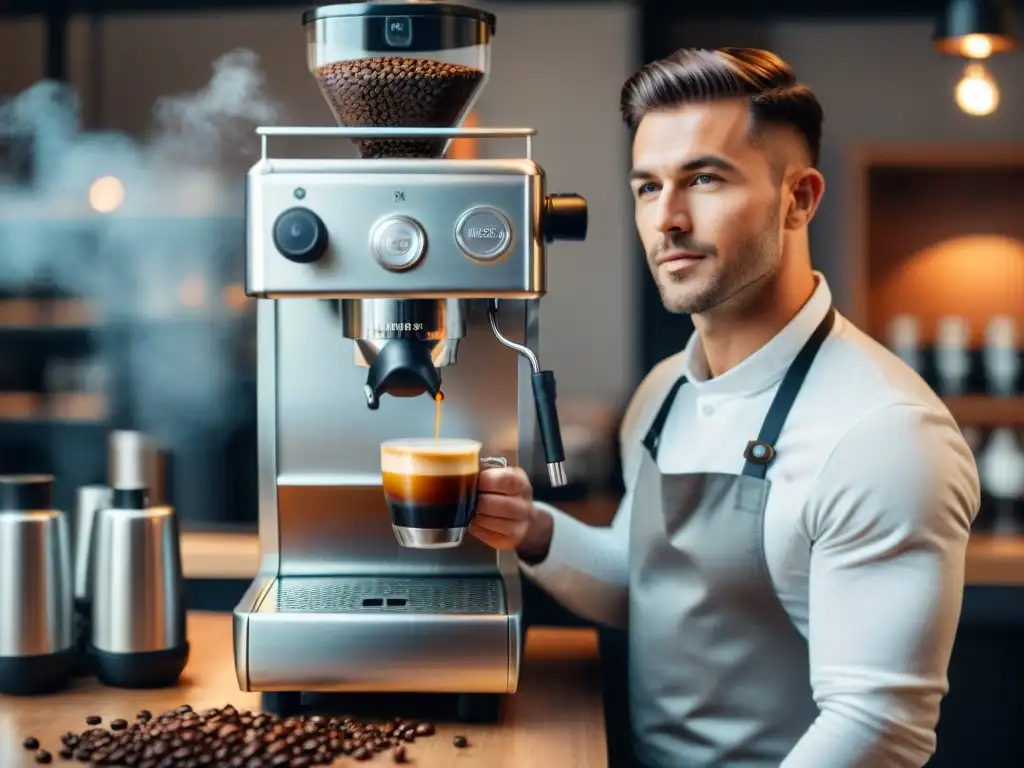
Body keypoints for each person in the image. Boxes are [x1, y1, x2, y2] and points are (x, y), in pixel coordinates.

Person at [467, 47, 981, 768]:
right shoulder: (662, 394)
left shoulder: (885, 435)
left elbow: (877, 727)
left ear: (799, 198)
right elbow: (650, 589)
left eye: (704, 179)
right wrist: (531, 529)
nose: (667, 219)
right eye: (648, 188)